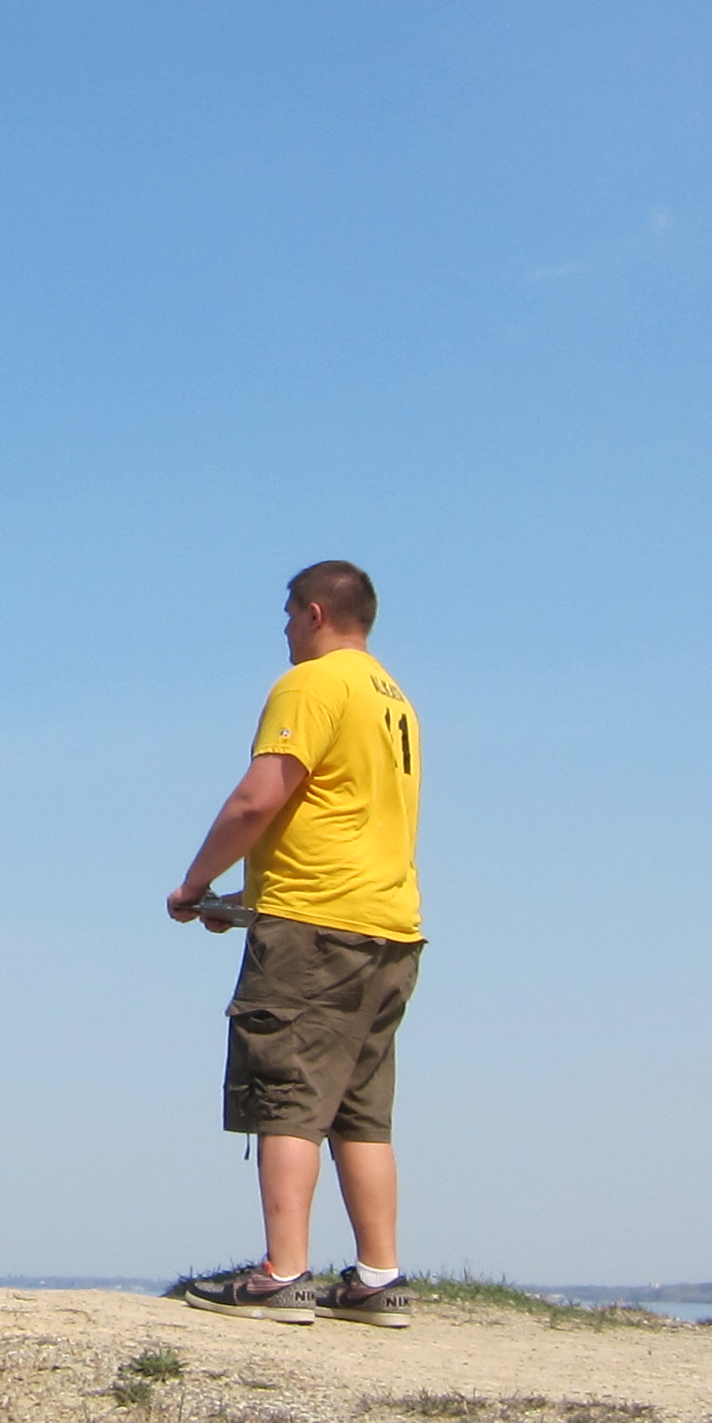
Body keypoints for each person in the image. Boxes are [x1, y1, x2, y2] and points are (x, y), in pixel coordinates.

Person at [163, 560, 423, 1327]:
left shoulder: (311, 686)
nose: (282, 632)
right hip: (389, 928)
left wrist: (192, 883)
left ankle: (283, 1275)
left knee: (288, 1099)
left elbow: (260, 798)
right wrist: (245, 901)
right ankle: (379, 1278)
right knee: (361, 1112)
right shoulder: (395, 699)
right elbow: (344, 822)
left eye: (285, 617)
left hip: (314, 930)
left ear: (314, 613)